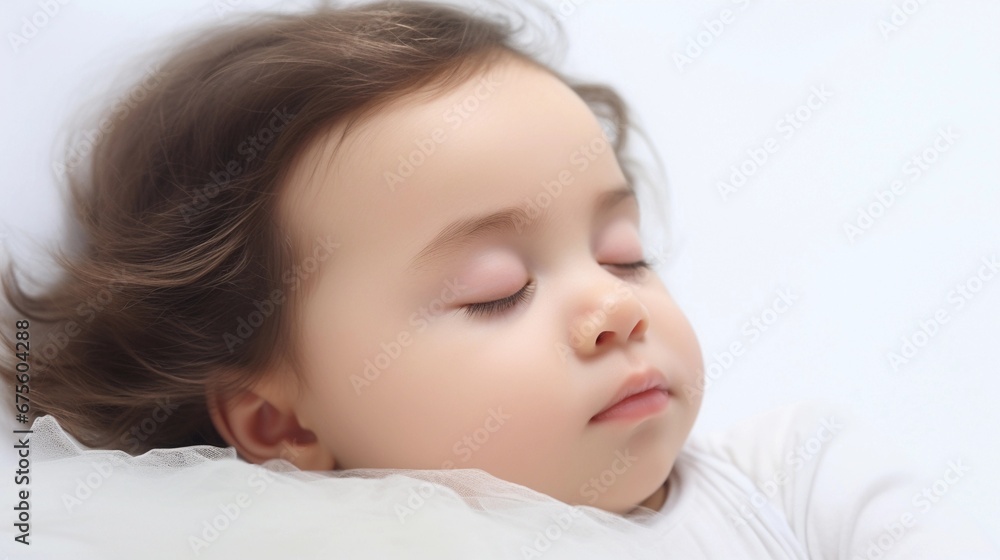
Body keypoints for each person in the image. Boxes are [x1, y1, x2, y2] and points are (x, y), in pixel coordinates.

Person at [1, 1, 996, 557]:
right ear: (280, 425)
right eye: (494, 289)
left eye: (622, 252)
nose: (613, 305)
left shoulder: (792, 473)